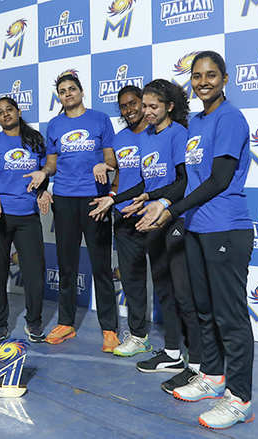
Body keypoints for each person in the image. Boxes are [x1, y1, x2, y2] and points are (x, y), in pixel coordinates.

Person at [135, 52, 255, 430]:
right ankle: (213, 378)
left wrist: (172, 210)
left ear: (225, 78)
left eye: (211, 75)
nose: (204, 82)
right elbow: (189, 179)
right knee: (204, 309)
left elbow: (219, 179)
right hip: (196, 227)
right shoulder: (198, 122)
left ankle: (240, 398)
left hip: (225, 227)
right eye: (197, 76)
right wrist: (163, 203)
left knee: (229, 316)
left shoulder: (230, 118)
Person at [104, 80, 205, 392]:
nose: (146, 112)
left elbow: (183, 181)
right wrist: (121, 199)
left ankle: (198, 364)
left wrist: (157, 201)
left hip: (175, 219)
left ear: (169, 107)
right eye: (144, 106)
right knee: (164, 289)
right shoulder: (146, 136)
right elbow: (145, 184)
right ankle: (173, 353)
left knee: (184, 293)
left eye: (153, 106)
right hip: (152, 220)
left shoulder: (178, 134)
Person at [36, 73, 119, 351]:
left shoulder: (100, 119)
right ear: (59, 97)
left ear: (81, 91)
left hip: (95, 199)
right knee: (67, 265)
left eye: (72, 89)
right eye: (62, 91)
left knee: (101, 266)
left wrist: (104, 165)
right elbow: (51, 164)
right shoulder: (55, 125)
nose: (68, 94)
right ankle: (66, 323)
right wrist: (44, 174)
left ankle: (109, 329)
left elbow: (110, 157)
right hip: (64, 200)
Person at [0, 96, 53, 345]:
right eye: (0, 112)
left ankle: (34, 322)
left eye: (9, 109)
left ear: (19, 111)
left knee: (34, 272)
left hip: (27, 216)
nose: (5, 114)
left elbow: (42, 175)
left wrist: (43, 191)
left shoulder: (35, 140)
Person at [86, 85, 155, 357]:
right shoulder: (120, 138)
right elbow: (119, 180)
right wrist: (110, 197)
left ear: (144, 103)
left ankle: (183, 345)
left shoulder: (158, 133)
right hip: (125, 216)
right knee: (132, 280)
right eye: (124, 106)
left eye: (133, 103)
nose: (129, 110)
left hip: (155, 215)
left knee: (170, 282)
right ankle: (139, 336)